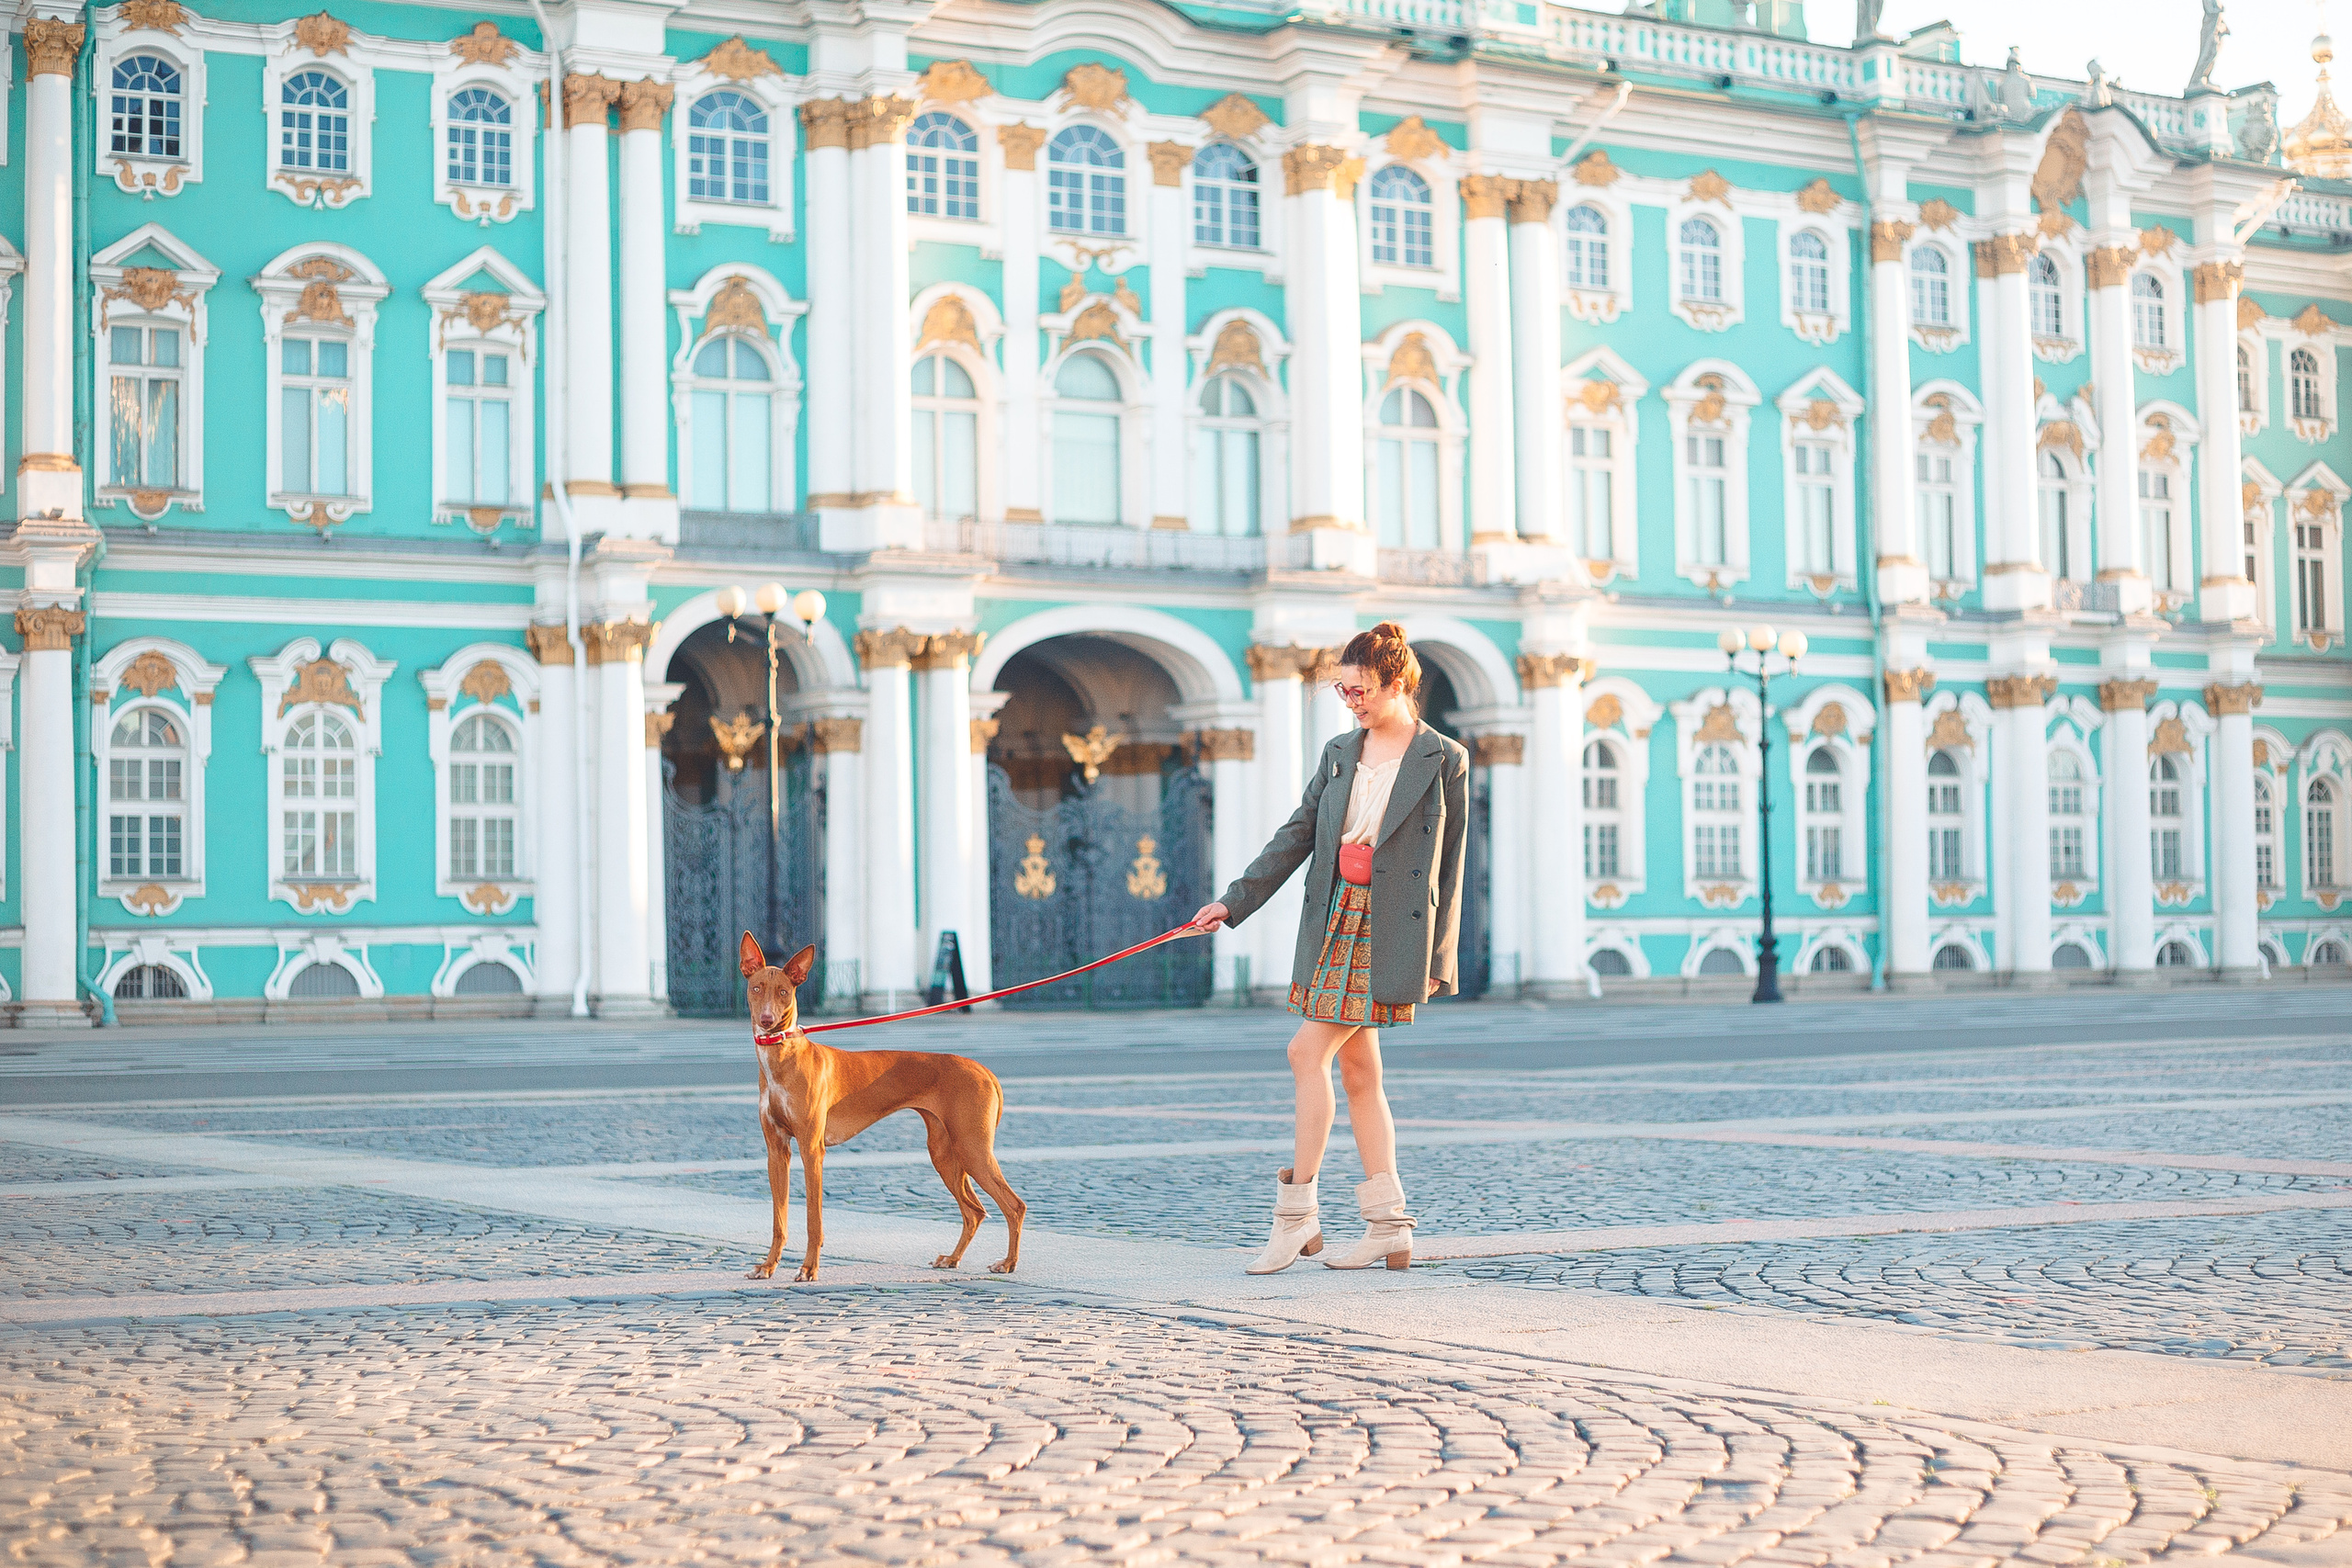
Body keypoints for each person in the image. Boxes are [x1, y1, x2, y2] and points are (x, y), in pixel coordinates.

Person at [1191, 622, 1469, 1273]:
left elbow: (1452, 867)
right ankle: (1389, 1224)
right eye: (1345, 691)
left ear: (1397, 682)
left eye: (1362, 689)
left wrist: (1439, 960)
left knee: (1304, 1050)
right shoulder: (1342, 751)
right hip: (1337, 915)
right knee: (1359, 1073)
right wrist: (1235, 901)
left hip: (1393, 924)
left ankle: (1296, 1217)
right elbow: (1297, 833)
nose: (1352, 701)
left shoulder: (1443, 757)